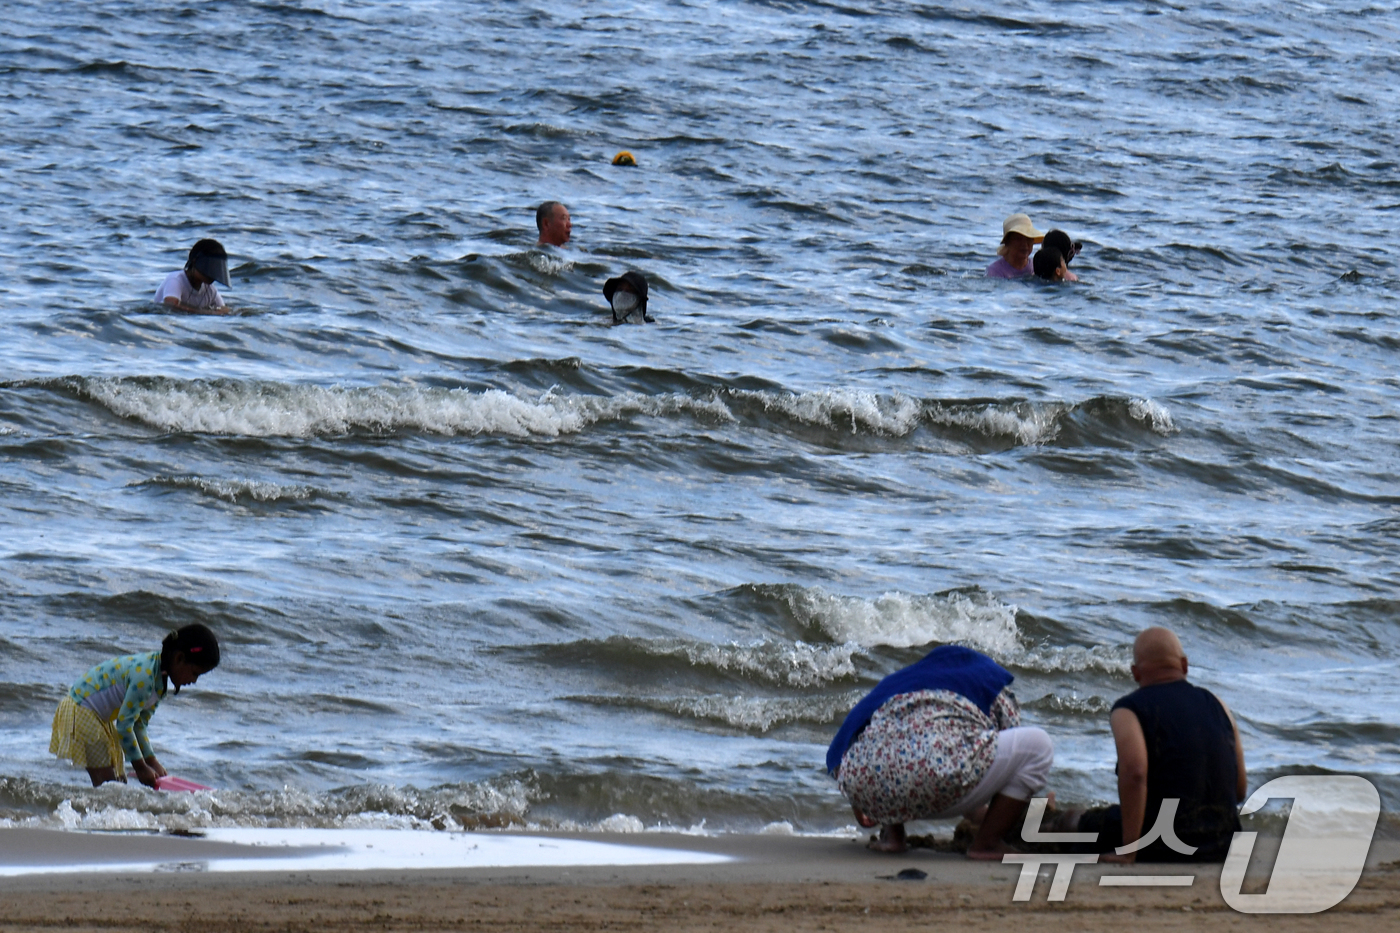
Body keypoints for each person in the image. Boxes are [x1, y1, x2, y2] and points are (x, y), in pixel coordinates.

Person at [828, 645, 1054, 858]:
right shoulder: (991, 684)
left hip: (867, 787)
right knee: (1038, 746)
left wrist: (861, 802)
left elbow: (839, 748)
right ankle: (987, 843)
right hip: (941, 777)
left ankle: (893, 836)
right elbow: (1003, 759)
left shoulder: (893, 684)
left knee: (891, 742)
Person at [1064, 628, 1245, 862]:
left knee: (1078, 821)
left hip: (1165, 844)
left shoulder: (1128, 709)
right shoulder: (1219, 705)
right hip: (1224, 845)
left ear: (1135, 673)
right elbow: (1239, 790)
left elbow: (1135, 773)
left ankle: (1043, 821)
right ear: (1185, 665)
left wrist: (1129, 852)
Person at [49, 624, 221, 788]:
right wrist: (140, 767)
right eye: (195, 673)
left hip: (97, 716)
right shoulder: (145, 678)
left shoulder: (158, 683)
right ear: (179, 658)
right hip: (81, 709)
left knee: (118, 782)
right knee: (108, 786)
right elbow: (124, 726)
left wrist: (151, 762)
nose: (194, 681)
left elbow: (139, 724)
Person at [154, 239, 232, 314]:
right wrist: (207, 312)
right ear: (195, 261)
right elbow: (170, 306)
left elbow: (223, 310)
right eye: (210, 265)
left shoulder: (210, 290)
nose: (213, 270)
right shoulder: (175, 280)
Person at [986, 213, 1044, 279]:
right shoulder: (995, 271)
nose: (1025, 244)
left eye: (1028, 238)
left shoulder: (1036, 268)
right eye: (1018, 239)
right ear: (1008, 242)